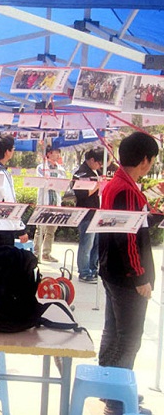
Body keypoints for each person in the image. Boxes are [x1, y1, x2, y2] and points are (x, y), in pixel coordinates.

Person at [98, 132, 161, 415]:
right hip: (126, 276)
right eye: (152, 160)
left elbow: (134, 226)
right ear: (145, 160)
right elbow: (127, 237)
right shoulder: (126, 190)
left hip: (113, 271)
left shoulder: (118, 185)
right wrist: (139, 277)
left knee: (114, 332)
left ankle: (110, 389)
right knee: (129, 338)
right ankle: (117, 401)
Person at [0, 135, 29, 247]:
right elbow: (11, 202)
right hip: (3, 227)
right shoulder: (3, 173)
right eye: (13, 148)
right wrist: (21, 229)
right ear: (7, 152)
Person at [73, 147, 104, 283]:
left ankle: (93, 268)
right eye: (99, 163)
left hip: (97, 213)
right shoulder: (81, 173)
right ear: (92, 160)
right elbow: (82, 194)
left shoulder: (96, 172)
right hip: (86, 213)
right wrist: (97, 185)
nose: (100, 166)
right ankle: (84, 272)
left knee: (96, 244)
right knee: (87, 244)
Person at [34, 145, 67, 263]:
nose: (57, 155)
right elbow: (43, 183)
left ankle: (46, 253)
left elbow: (63, 185)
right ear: (48, 154)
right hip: (44, 202)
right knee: (40, 230)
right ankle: (36, 253)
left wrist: (52, 183)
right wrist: (53, 183)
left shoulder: (60, 169)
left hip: (55, 203)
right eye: (55, 152)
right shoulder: (41, 167)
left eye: (58, 152)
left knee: (51, 230)